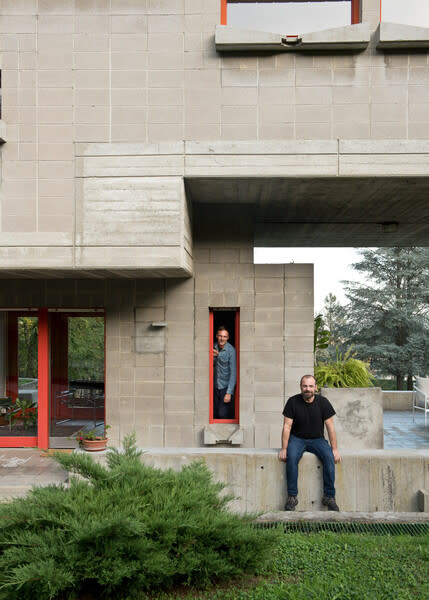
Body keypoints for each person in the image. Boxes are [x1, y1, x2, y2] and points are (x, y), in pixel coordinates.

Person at [278, 374, 341, 511]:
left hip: (317, 439)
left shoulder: (323, 402)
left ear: (315, 387)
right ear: (300, 387)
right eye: (305, 386)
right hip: (297, 439)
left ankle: (329, 497)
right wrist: (284, 448)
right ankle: (292, 497)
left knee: (329, 457)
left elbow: (330, 427)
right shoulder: (292, 402)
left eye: (311, 386)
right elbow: (287, 426)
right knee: (292, 457)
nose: (308, 389)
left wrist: (334, 449)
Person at [213, 326, 236, 419]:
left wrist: (229, 392)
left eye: (224, 336)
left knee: (223, 414)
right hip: (214, 386)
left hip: (225, 387)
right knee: (213, 414)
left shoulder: (231, 350)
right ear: (216, 336)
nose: (222, 339)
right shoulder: (213, 347)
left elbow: (233, 372)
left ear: (228, 338)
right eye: (220, 336)